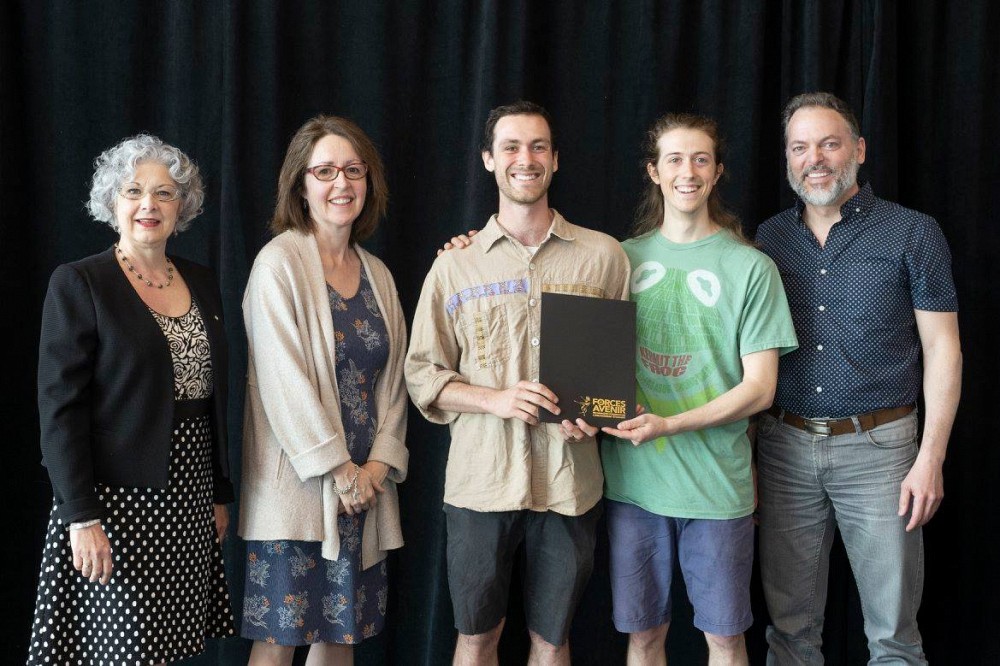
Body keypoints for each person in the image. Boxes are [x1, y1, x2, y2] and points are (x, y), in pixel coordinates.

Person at [405, 101, 630, 665]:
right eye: (511, 147)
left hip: (568, 481)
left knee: (552, 641)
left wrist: (596, 417)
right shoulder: (455, 266)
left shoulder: (605, 257)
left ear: (554, 160)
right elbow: (422, 372)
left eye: (537, 147)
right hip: (481, 482)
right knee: (477, 637)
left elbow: (614, 375)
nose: (524, 159)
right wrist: (495, 399)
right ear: (488, 160)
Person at [755, 92, 962, 664]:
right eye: (800, 147)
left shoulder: (913, 233)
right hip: (783, 450)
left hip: (883, 453)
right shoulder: (767, 240)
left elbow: (943, 348)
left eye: (829, 142)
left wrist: (931, 457)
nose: (814, 158)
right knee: (789, 633)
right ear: (788, 159)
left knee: (893, 636)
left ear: (859, 150)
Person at [28, 134, 237, 665]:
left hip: (188, 494)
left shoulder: (202, 280)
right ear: (111, 202)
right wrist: (80, 516)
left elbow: (210, 397)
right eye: (134, 191)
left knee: (166, 649)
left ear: (183, 206)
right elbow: (60, 411)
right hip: (112, 501)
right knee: (124, 651)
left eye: (165, 193)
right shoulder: (80, 282)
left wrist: (217, 491)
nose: (149, 205)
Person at [597, 114, 797, 665]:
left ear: (717, 173)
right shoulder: (618, 258)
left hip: (716, 490)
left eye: (701, 159)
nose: (688, 171)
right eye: (675, 159)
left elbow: (760, 389)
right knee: (643, 638)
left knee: (726, 641)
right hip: (634, 485)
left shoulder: (751, 268)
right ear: (654, 172)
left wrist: (669, 424)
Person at [239, 115, 409, 665]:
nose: (342, 183)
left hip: (365, 489)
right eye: (326, 170)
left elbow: (397, 381)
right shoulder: (278, 265)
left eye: (353, 170)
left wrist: (377, 467)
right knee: (279, 641)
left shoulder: (378, 274)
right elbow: (280, 382)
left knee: (341, 637)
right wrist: (339, 471)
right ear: (301, 184)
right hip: (299, 488)